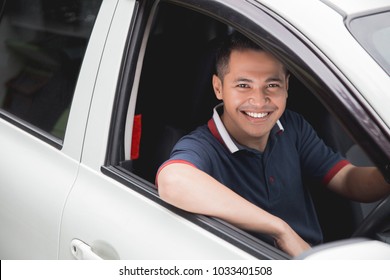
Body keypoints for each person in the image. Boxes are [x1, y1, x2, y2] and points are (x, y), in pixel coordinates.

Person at [156, 32, 390, 257]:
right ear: (219, 88)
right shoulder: (203, 145)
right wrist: (280, 230)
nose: (259, 100)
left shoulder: (292, 126)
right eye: (243, 85)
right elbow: (173, 180)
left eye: (272, 85)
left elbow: (348, 179)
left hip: (311, 261)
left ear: (286, 86)